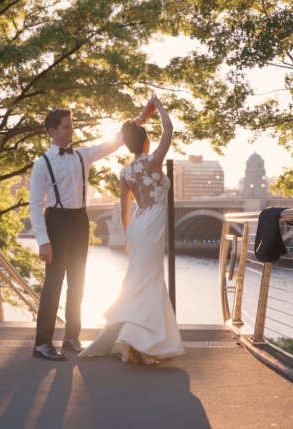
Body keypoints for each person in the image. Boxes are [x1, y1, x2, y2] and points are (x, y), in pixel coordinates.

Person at [29, 102, 154, 361]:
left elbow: (115, 141)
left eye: (71, 125)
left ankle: (71, 338)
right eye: (66, 127)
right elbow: (34, 207)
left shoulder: (82, 155)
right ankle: (42, 343)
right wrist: (43, 241)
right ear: (52, 131)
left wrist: (141, 117)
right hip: (56, 223)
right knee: (53, 284)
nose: (71, 130)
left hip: (80, 221)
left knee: (78, 283)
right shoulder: (41, 164)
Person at [79, 95, 184, 365]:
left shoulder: (125, 172)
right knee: (148, 281)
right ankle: (143, 345)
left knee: (143, 280)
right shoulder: (154, 161)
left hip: (138, 227)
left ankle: (139, 344)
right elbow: (169, 129)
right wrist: (158, 107)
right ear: (146, 142)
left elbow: (125, 210)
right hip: (150, 227)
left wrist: (126, 237)